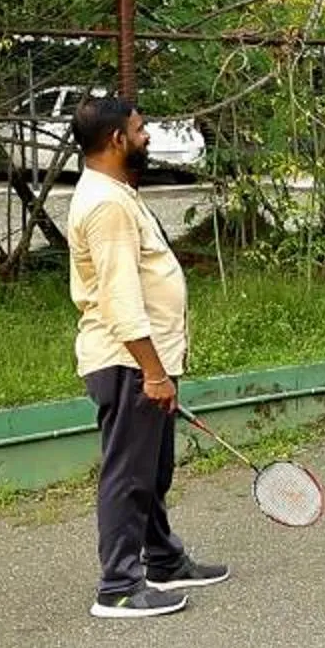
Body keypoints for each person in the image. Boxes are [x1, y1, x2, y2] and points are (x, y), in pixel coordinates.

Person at [68, 94, 227, 619]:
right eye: (139, 130)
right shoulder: (107, 205)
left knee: (152, 471)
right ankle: (118, 586)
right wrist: (153, 372)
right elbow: (119, 297)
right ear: (117, 140)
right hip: (128, 362)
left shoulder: (115, 192)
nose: (147, 136)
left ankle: (162, 560)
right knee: (129, 476)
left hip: (144, 361)